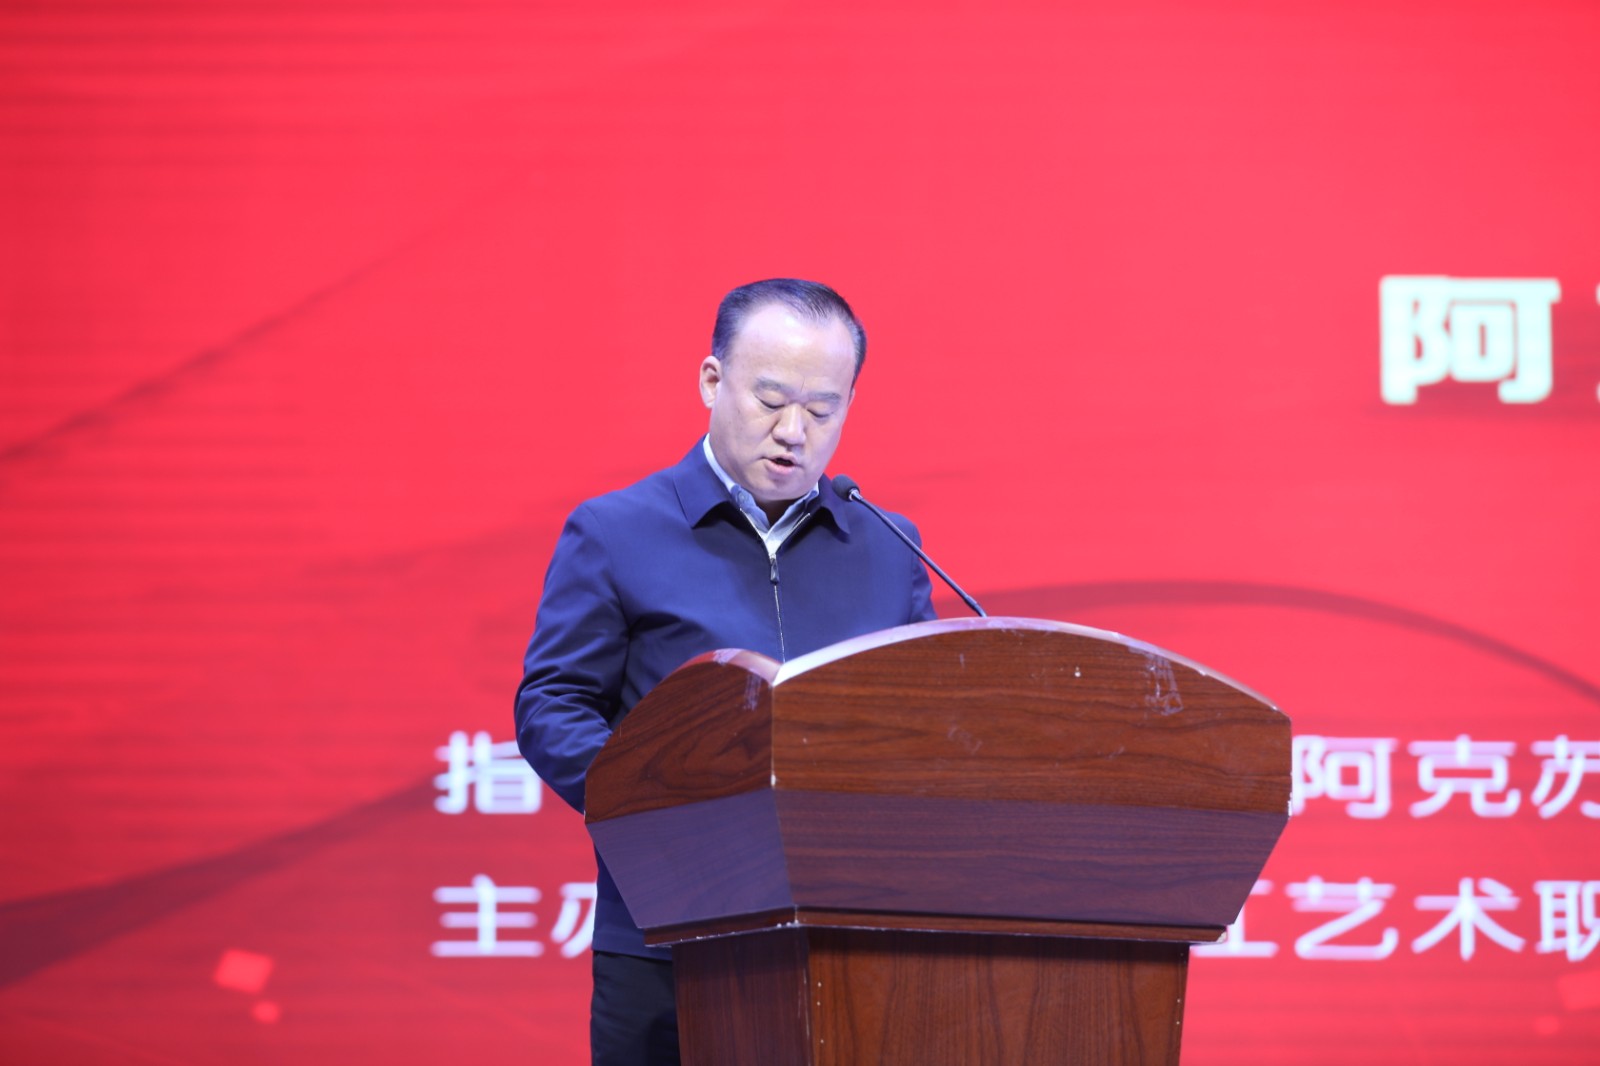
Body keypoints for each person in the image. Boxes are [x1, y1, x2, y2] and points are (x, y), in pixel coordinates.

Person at [514, 278, 936, 1065]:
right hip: (668, 936)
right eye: (770, 400)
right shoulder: (616, 532)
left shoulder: (887, 545)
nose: (793, 432)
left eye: (822, 410)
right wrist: (654, 805)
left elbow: (929, 722)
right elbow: (553, 705)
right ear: (712, 381)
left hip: (850, 940)